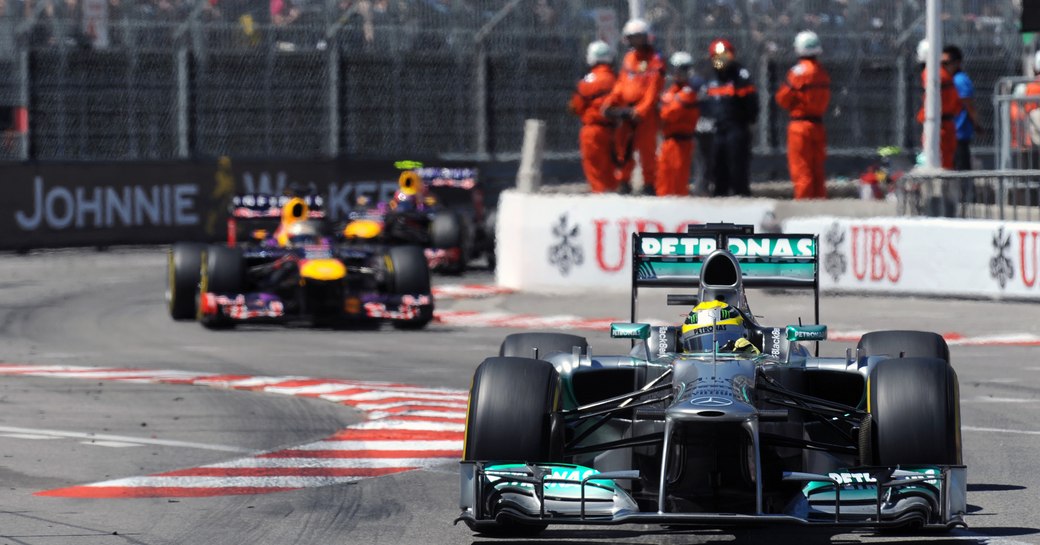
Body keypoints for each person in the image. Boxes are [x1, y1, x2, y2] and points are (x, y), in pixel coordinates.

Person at [602, 18, 665, 195]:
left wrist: (640, 111)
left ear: (646, 38)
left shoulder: (655, 59)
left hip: (645, 115)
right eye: (633, 38)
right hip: (626, 112)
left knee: (647, 151)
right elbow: (621, 84)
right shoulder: (629, 58)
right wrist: (610, 103)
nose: (636, 42)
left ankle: (649, 184)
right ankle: (623, 181)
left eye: (639, 37)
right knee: (623, 148)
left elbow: (654, 90)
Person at [775, 30, 831, 199]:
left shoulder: (798, 73)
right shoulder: (822, 73)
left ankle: (804, 208)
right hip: (818, 125)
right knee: (817, 170)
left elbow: (782, 98)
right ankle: (819, 206)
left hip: (799, 126)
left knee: (801, 169)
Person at [702, 38, 758, 196]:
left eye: (724, 56)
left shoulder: (740, 76)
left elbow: (751, 103)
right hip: (718, 129)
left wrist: (748, 121)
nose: (721, 61)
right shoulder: (711, 78)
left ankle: (741, 195)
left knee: (737, 166)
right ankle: (720, 196)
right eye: (717, 57)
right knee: (718, 167)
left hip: (736, 128)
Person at [569, 40, 618, 193]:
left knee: (595, 170)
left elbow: (575, 107)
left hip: (593, 131)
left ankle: (600, 201)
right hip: (615, 130)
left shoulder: (587, 81)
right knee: (612, 169)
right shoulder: (617, 79)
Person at [656, 51, 700, 197]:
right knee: (663, 179)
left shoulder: (689, 92)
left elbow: (670, 114)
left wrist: (663, 109)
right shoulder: (671, 91)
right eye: (677, 69)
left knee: (678, 181)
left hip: (682, 143)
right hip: (667, 141)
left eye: (684, 69)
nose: (679, 73)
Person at [915, 39, 961, 170]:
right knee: (945, 161)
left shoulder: (932, 74)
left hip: (940, 126)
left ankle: (939, 188)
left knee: (941, 163)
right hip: (945, 124)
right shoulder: (942, 74)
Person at [943, 45, 978, 171]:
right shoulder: (946, 79)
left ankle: (965, 191)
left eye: (947, 63)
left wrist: (976, 123)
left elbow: (968, 104)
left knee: (961, 169)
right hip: (948, 134)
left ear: (957, 63)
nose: (944, 66)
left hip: (959, 133)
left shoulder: (960, 80)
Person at [679, 300, 759, 354]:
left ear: (745, 335)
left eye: (724, 341)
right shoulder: (678, 368)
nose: (714, 355)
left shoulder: (749, 358)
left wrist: (752, 357)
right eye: (706, 343)